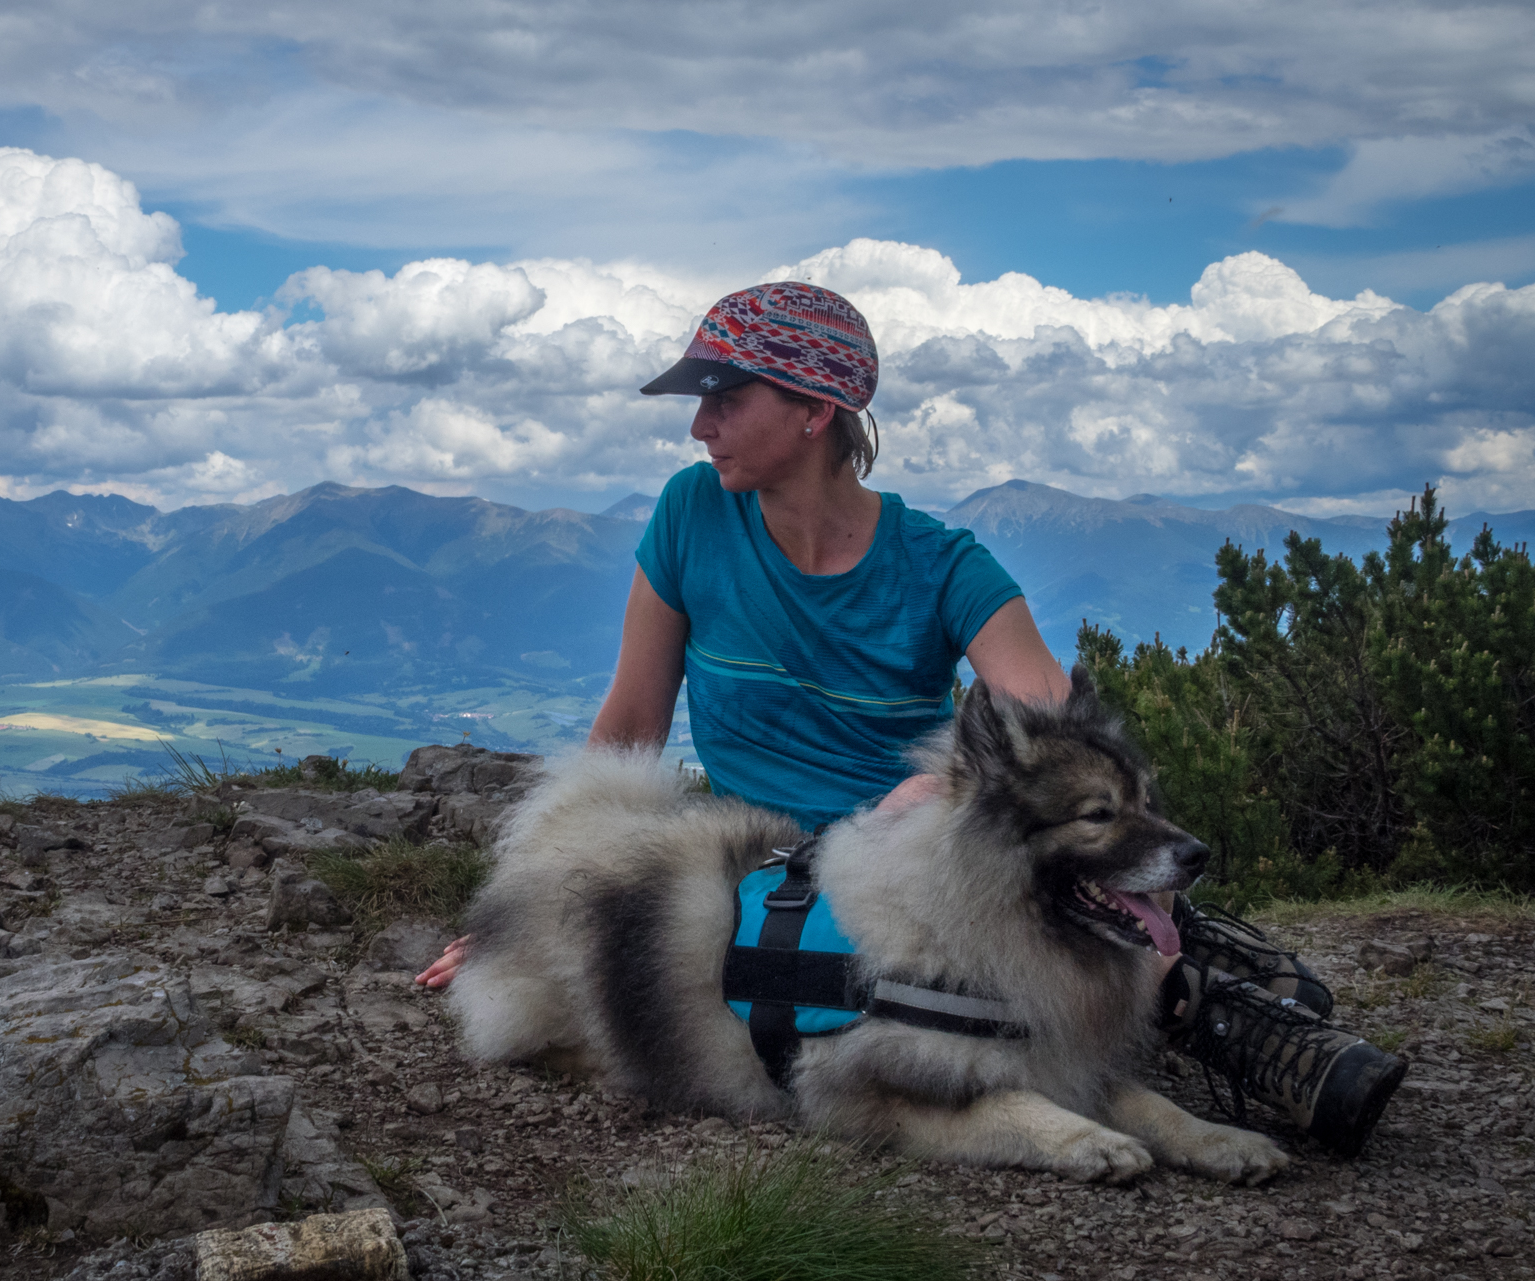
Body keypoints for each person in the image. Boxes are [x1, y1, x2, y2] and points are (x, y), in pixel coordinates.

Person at [417, 282, 1405, 1157]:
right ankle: (1214, 1013)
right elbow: (630, 724)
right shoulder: (689, 515)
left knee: (1091, 914)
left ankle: (1254, 1036)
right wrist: (532, 909)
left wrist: (938, 785)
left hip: (907, 870)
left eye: (724, 396)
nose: (698, 426)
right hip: (767, 878)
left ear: (813, 410)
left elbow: (1045, 717)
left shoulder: (941, 563)